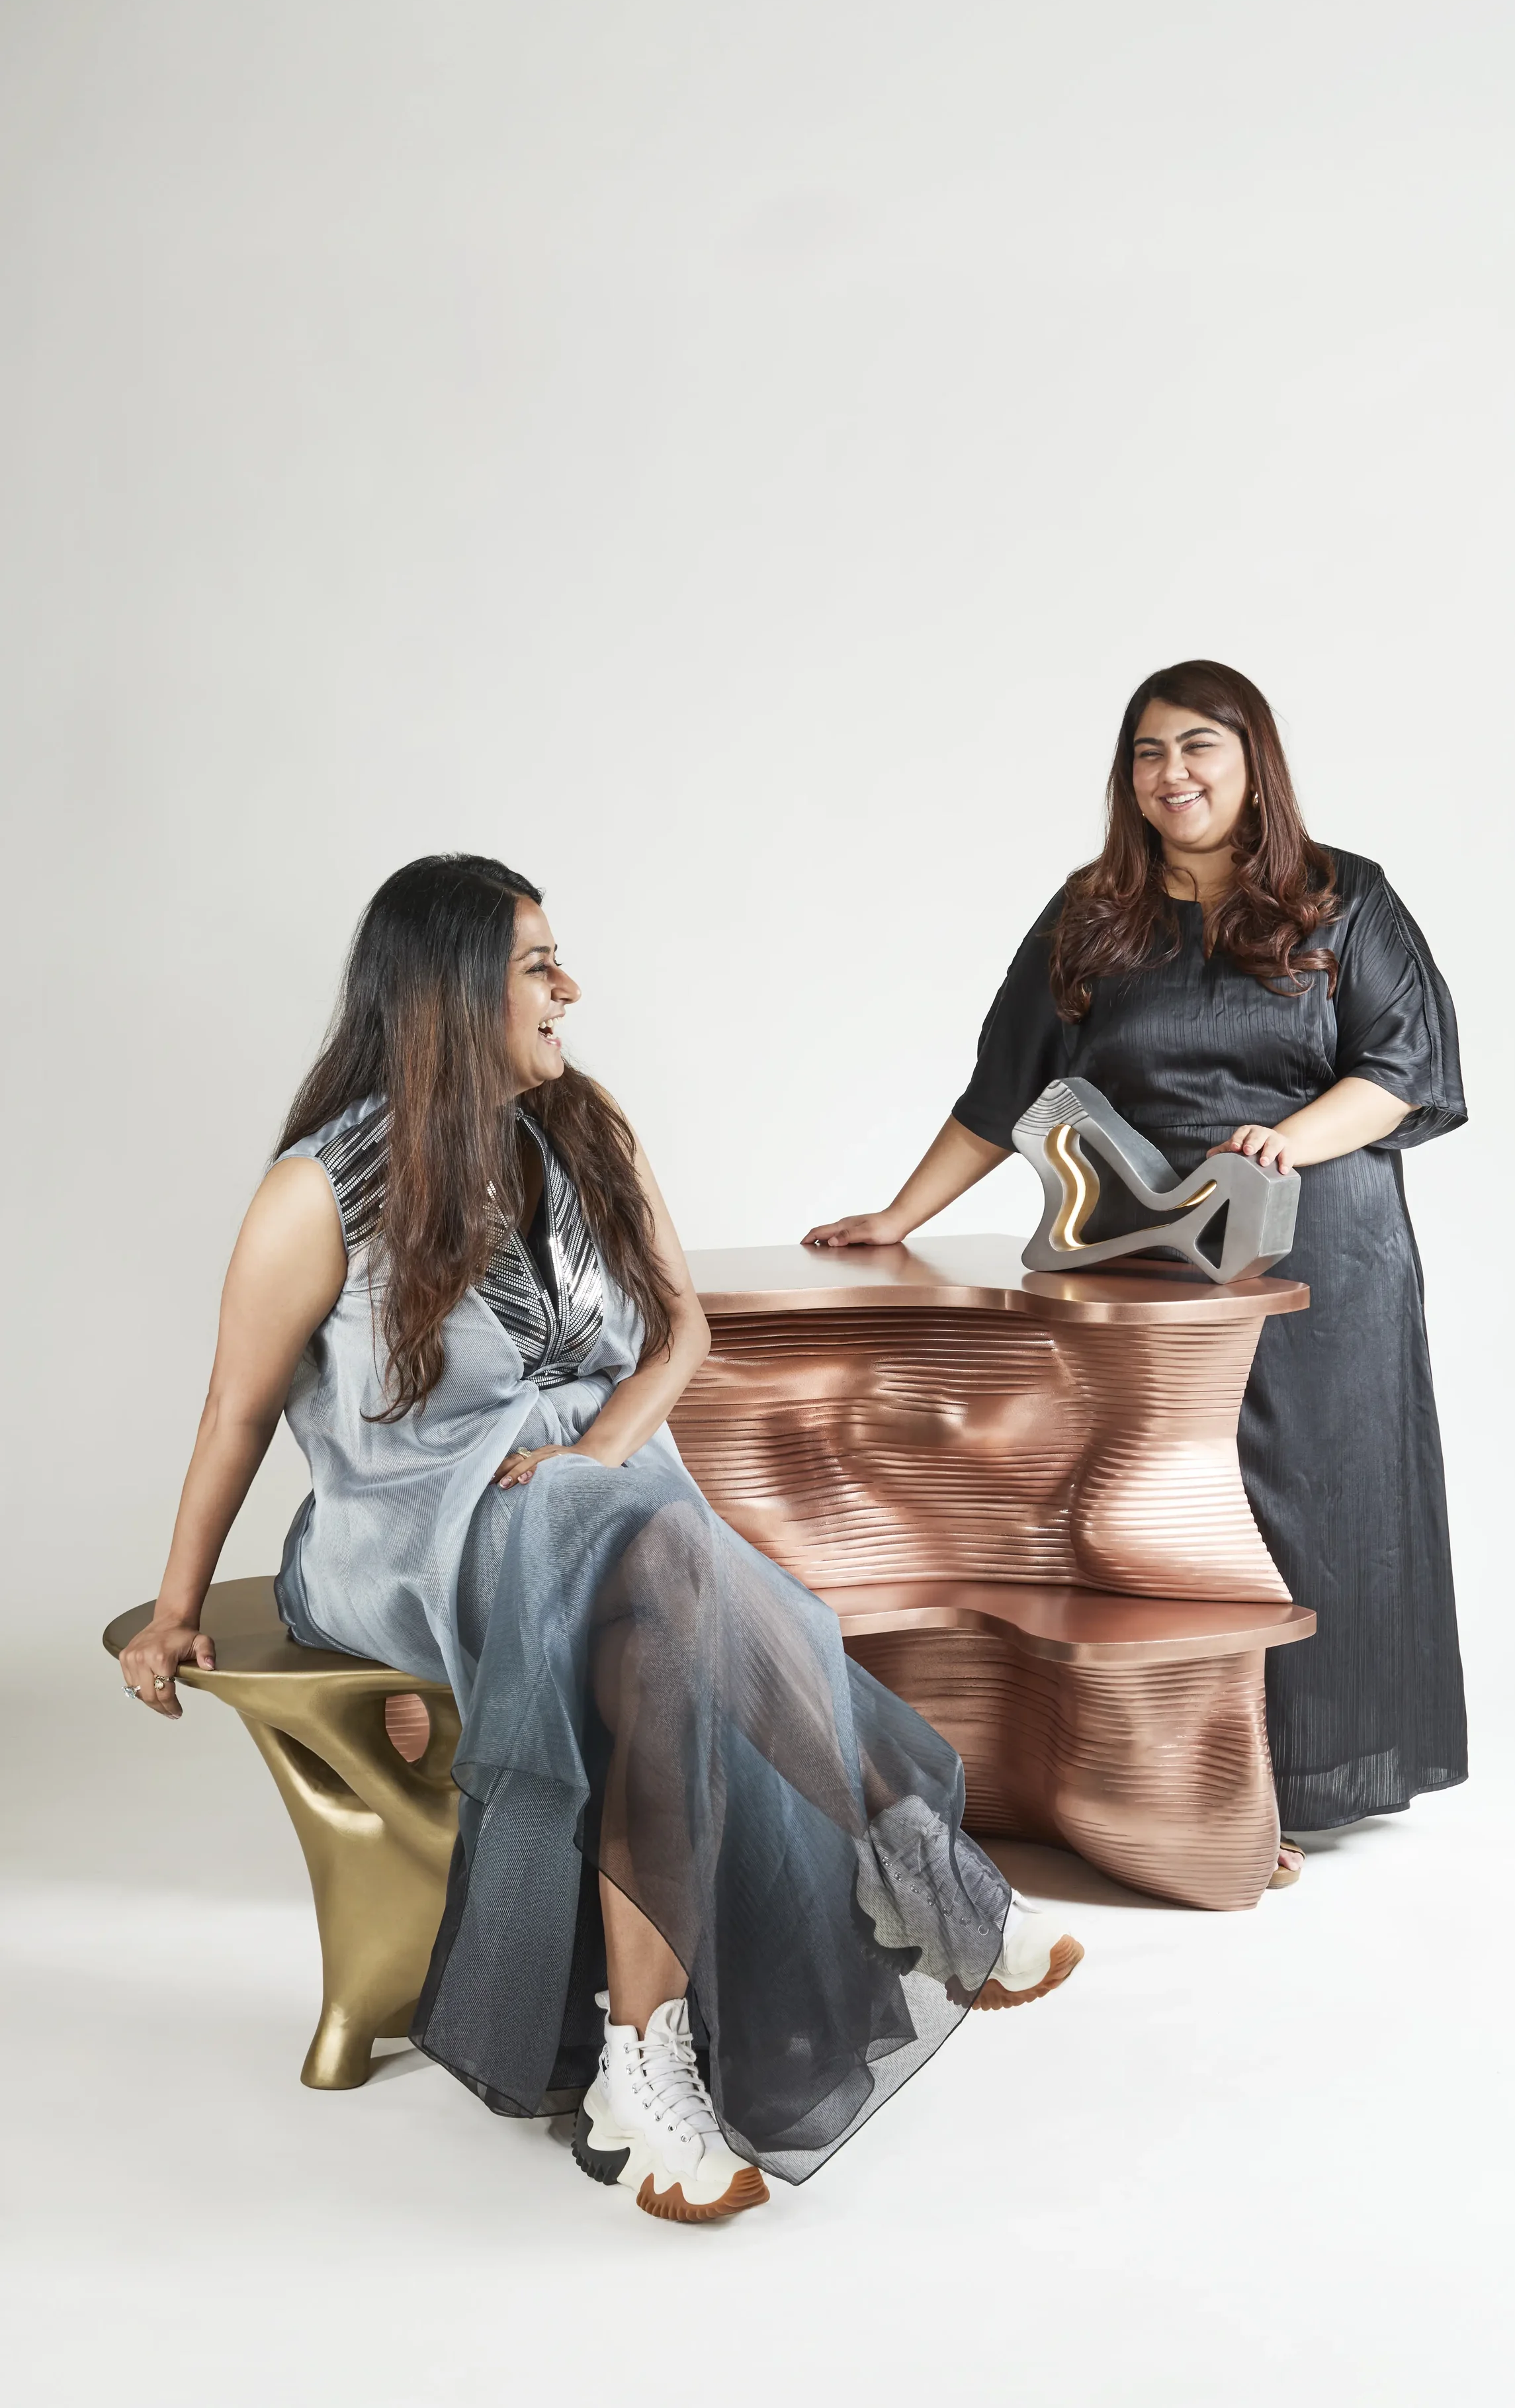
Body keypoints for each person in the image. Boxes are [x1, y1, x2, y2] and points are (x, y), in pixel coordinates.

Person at [118, 855, 1082, 2223]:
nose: (569, 988)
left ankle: (647, 2061)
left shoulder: (584, 1132)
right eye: (536, 966)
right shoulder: (314, 1193)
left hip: (601, 1510)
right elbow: (234, 1411)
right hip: (404, 1542)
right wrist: (171, 1608)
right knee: (656, 1557)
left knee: (648, 1592)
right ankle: (915, 1858)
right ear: (452, 994)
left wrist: (586, 1462)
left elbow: (678, 1328)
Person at [806, 662, 1467, 1868]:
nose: (1174, 775)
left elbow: (1404, 1067)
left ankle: (1286, 1783)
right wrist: (897, 1219)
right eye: (1149, 754)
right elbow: (1004, 1093)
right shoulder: (1090, 914)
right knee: (1170, 1524)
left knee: (1313, 1511)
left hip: (1322, 1254)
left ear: (1252, 757)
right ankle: (1196, 1785)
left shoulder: (1343, 899)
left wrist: (1286, 1138)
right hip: (1146, 1266)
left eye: (1199, 747)